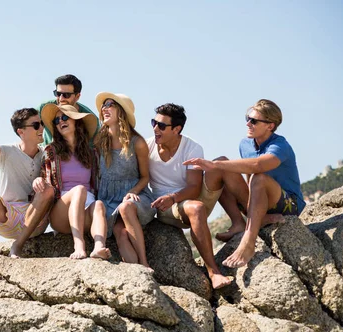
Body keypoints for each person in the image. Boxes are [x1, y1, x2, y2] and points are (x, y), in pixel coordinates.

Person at [183, 99, 305, 268]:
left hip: (288, 204)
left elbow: (259, 166)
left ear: (270, 126)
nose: (248, 123)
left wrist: (214, 164)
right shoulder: (245, 144)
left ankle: (248, 242)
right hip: (259, 198)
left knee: (257, 176)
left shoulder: (280, 145)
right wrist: (217, 166)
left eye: (254, 121)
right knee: (222, 165)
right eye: (247, 118)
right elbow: (247, 176)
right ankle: (239, 222)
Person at [148, 103, 234, 289]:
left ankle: (244, 221)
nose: (155, 128)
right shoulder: (148, 147)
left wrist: (173, 196)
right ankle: (214, 272)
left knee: (221, 164)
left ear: (176, 129)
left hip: (185, 198)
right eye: (154, 122)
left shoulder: (192, 148)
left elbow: (194, 188)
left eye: (161, 125)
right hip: (167, 210)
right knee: (196, 207)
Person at [0, 104, 54, 259]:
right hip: (8, 219)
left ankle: (17, 246)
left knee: (47, 190)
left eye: (42, 124)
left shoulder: (47, 153)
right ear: (21, 131)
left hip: (36, 221)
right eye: (35, 125)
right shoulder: (7, 152)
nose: (41, 128)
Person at [35, 104, 111, 260]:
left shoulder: (92, 153)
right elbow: (44, 178)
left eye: (64, 118)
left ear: (77, 122)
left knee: (99, 205)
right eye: (56, 121)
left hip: (86, 210)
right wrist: (38, 179)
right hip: (61, 212)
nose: (60, 122)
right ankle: (79, 245)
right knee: (79, 190)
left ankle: (99, 247)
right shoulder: (51, 151)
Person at [94, 93, 155, 268]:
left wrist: (132, 192)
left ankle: (145, 263)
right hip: (109, 198)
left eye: (109, 104)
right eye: (103, 105)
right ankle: (137, 273)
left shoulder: (138, 143)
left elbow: (145, 177)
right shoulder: (99, 141)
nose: (104, 108)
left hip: (135, 195)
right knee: (120, 233)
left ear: (121, 111)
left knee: (126, 206)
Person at [38, 74, 99, 145]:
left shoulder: (90, 120)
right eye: (58, 93)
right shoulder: (44, 108)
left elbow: (92, 149)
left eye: (66, 95)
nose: (61, 99)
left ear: (77, 96)